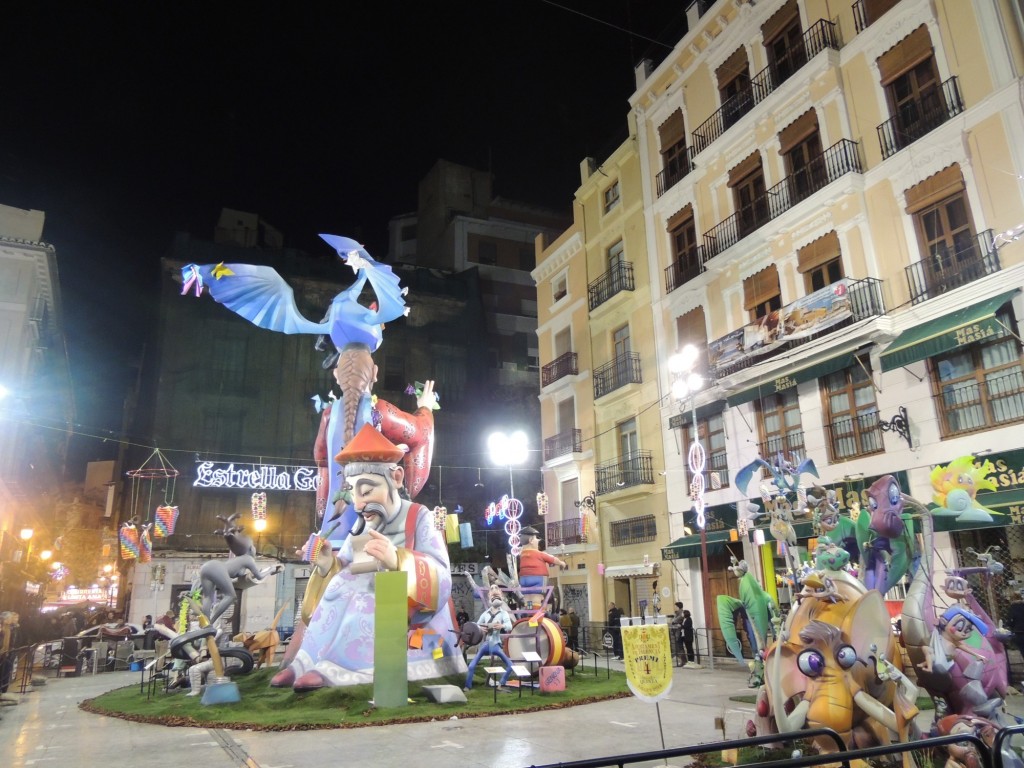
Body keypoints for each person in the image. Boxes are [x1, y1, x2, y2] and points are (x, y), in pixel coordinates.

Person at [271, 424, 466, 690]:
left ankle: (340, 670)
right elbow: (347, 565)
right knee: (339, 587)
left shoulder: (419, 516)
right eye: (352, 492)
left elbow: (442, 576)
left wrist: (397, 559)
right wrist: (328, 563)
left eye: (367, 491)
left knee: (366, 597)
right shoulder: (364, 524)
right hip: (367, 598)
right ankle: (305, 663)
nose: (359, 503)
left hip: (414, 620)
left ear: (396, 478)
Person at [464, 585, 514, 691]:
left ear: (501, 595)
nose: (495, 591)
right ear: (488, 596)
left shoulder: (504, 613)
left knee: (510, 665)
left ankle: (501, 684)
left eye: (497, 591)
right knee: (471, 666)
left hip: (495, 644)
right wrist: (482, 629)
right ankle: (467, 686)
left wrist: (502, 626)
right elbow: (476, 626)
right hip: (485, 644)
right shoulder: (485, 614)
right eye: (492, 590)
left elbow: (509, 626)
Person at [517, 526, 566, 606]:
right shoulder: (539, 554)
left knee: (528, 598)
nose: (538, 541)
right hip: (538, 579)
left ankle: (529, 612)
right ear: (531, 540)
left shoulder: (522, 554)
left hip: (524, 580)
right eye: (536, 539)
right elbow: (553, 559)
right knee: (536, 598)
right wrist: (561, 563)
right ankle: (535, 614)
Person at [670, 602, 685, 667]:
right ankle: (682, 661)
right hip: (676, 632)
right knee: (678, 647)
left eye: (675, 606)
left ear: (678, 607)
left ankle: (683, 661)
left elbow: (675, 621)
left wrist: (673, 621)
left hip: (679, 633)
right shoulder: (677, 613)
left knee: (680, 647)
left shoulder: (681, 613)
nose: (674, 607)